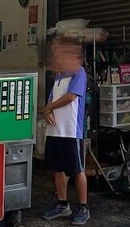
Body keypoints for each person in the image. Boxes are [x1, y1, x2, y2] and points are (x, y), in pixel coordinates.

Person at [41, 38, 89, 225]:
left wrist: (48, 108)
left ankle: (84, 208)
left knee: (77, 170)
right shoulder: (59, 75)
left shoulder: (79, 72)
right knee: (58, 169)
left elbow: (71, 97)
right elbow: (51, 99)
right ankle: (62, 205)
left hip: (71, 131)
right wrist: (47, 112)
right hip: (55, 130)